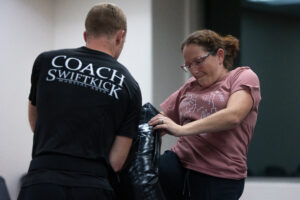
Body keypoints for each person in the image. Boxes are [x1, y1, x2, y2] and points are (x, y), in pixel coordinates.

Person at [18, 3, 142, 200]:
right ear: (120, 36)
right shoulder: (129, 85)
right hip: (93, 187)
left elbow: (35, 123)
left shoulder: (46, 61)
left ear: (86, 34)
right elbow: (117, 162)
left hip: (42, 181)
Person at [149, 29, 261, 200]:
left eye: (198, 62)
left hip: (218, 175)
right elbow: (161, 120)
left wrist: (180, 129)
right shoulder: (190, 85)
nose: (194, 70)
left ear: (220, 55)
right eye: (188, 65)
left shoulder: (242, 76)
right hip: (179, 165)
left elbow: (233, 116)